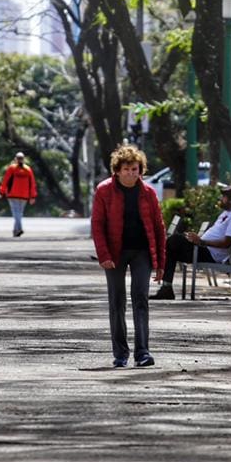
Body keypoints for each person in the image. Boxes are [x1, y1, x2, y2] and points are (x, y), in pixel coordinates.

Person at [90, 145, 167, 367]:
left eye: (135, 169)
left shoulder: (148, 193)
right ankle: (120, 354)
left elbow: (159, 228)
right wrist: (103, 255)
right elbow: (98, 226)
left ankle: (143, 352)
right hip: (115, 253)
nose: (131, 173)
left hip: (141, 252)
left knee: (141, 299)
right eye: (127, 169)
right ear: (117, 170)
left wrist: (160, 263)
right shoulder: (104, 191)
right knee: (117, 302)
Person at [150, 184, 231, 301]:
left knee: (174, 241)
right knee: (172, 247)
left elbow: (227, 242)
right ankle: (166, 288)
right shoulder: (227, 213)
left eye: (224, 197)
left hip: (211, 254)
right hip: (203, 248)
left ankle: (165, 286)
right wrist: (195, 239)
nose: (221, 199)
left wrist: (202, 242)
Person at [0, 151, 38, 237]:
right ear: (23, 159)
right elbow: (33, 184)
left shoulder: (12, 168)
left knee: (16, 213)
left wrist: (1, 192)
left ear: (16, 159)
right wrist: (33, 196)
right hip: (24, 196)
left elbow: (5, 181)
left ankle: (19, 228)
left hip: (12, 195)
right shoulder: (28, 169)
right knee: (19, 213)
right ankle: (16, 231)